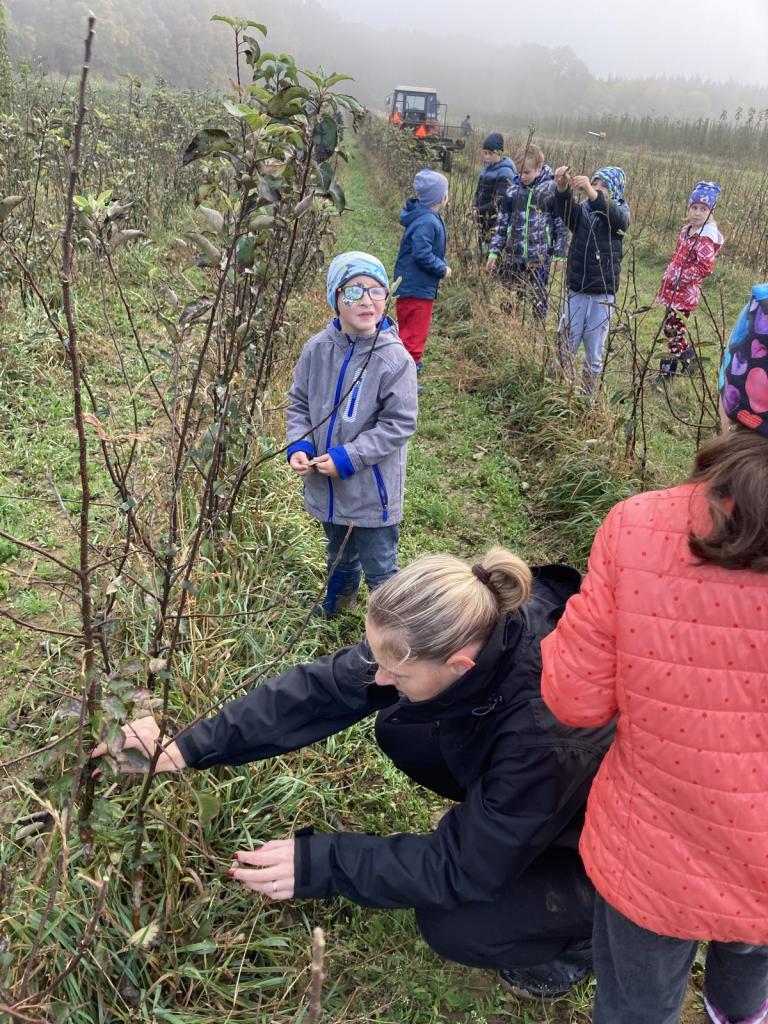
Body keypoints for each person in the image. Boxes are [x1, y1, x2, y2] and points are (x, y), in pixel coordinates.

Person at [93, 549, 615, 999]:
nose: (380, 678)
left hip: (604, 849)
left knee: (456, 925)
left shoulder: (544, 737)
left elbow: (464, 868)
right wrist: (186, 745)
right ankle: (504, 821)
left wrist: (323, 862)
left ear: (460, 666)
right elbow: (324, 689)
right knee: (402, 725)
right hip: (540, 787)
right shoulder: (460, 616)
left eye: (398, 672)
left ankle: (584, 942)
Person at [540, 284, 768, 1024]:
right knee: (749, 985)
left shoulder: (640, 527)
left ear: (733, 392)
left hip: (655, 856)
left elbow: (574, 700)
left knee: (636, 1008)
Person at [286, 251, 417, 617]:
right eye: (354, 291)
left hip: (371, 491)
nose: (366, 301)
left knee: (380, 565)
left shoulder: (395, 360)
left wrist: (349, 457)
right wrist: (300, 444)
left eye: (376, 291)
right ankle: (340, 599)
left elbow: (399, 424)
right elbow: (299, 403)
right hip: (328, 485)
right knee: (339, 551)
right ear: (335, 297)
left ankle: (390, 629)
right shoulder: (317, 349)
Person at [553, 165, 630, 394]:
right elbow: (566, 211)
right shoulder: (583, 212)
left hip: (602, 295)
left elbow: (615, 217)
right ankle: (556, 391)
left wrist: (591, 192)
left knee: (594, 350)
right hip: (576, 289)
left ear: (616, 191)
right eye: (594, 183)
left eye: (603, 186)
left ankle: (587, 397)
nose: (596, 188)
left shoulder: (620, 214)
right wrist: (562, 188)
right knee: (565, 344)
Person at [486, 143, 567, 323]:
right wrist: (494, 252)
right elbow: (501, 225)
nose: (522, 177)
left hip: (539, 259)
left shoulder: (551, 191)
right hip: (513, 257)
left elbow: (561, 224)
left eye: (527, 172)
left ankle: (537, 330)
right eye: (519, 172)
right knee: (509, 297)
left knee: (538, 298)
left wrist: (559, 254)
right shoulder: (511, 192)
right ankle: (508, 328)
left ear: (539, 167)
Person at [656, 180, 724, 378]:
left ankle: (668, 369)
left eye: (703, 209)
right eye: (694, 208)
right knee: (671, 328)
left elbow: (705, 267)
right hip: (672, 288)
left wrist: (680, 277)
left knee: (673, 329)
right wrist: (670, 275)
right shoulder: (687, 230)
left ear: (711, 212)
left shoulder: (705, 238)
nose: (697, 213)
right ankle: (690, 360)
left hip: (685, 293)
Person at [393, 169, 451, 373]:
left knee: (409, 331)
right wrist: (441, 269)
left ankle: (403, 366)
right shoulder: (428, 221)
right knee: (415, 334)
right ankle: (407, 374)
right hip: (417, 289)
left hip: (412, 286)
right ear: (440, 197)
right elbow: (421, 253)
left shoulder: (424, 216)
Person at [470, 133, 517, 239]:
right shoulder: (486, 169)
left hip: (494, 221)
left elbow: (499, 202)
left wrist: (479, 211)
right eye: (485, 153)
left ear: (499, 153)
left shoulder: (505, 173)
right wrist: (474, 206)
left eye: (490, 153)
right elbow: (478, 191)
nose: (487, 157)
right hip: (481, 217)